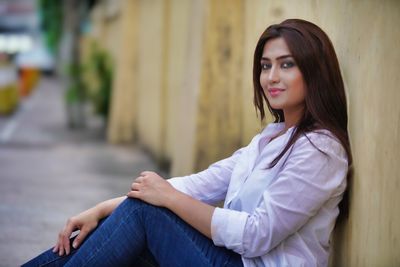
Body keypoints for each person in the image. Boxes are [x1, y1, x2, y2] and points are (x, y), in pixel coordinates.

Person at [22, 18, 352, 267]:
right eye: (266, 66)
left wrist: (165, 198)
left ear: (314, 70)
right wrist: (100, 208)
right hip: (231, 258)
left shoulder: (321, 150)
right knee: (129, 234)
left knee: (145, 215)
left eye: (287, 65)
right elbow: (196, 186)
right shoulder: (269, 139)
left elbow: (256, 235)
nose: (271, 77)